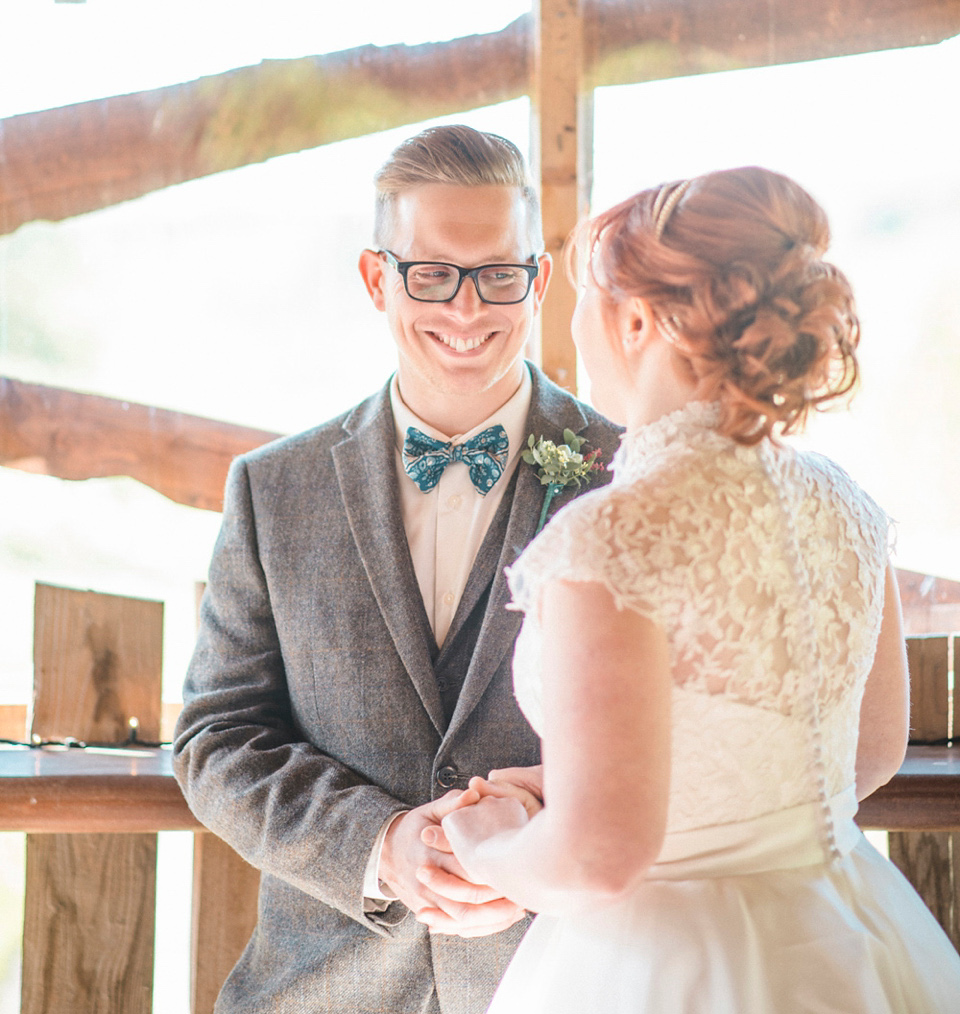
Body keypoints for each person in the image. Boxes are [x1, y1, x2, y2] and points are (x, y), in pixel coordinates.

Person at [430, 166, 960, 1012]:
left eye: (585, 302)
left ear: (638, 319)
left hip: (664, 966)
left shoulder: (614, 539)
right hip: (847, 927)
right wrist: (589, 777)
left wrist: (490, 842)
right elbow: (867, 754)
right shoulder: (845, 505)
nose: (574, 333)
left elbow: (597, 858)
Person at [173, 125, 621, 1014]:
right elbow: (216, 738)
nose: (467, 310)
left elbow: (694, 740)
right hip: (323, 988)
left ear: (537, 275)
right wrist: (380, 845)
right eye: (432, 274)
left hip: (575, 979)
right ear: (379, 277)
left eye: (499, 274)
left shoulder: (632, 472)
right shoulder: (275, 490)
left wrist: (538, 843)